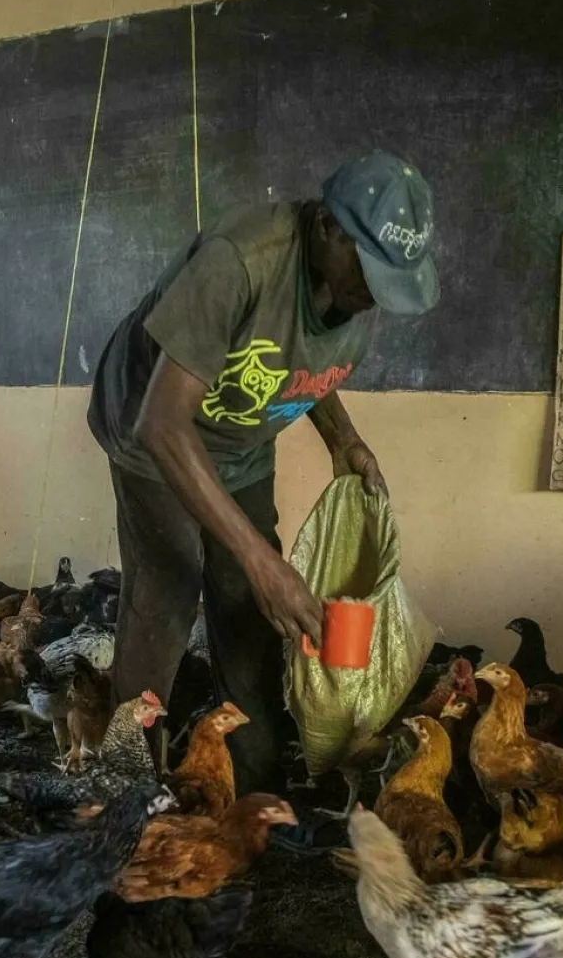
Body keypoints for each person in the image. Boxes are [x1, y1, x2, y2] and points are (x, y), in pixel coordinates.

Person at [86, 150, 440, 796]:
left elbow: (291, 358)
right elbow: (162, 423)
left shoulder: (355, 291)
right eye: (374, 271)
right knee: (170, 584)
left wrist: (346, 439)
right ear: (330, 229)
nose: (376, 296)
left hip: (242, 439)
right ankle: (123, 792)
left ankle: (254, 788)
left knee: (249, 604)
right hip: (155, 425)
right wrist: (258, 557)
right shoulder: (240, 261)